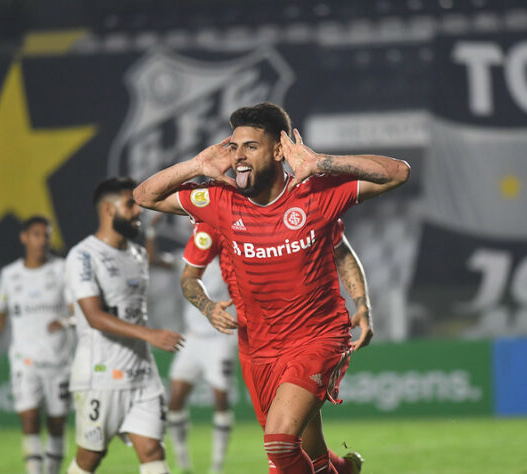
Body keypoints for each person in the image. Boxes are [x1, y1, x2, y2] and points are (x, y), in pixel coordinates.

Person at [134, 102, 409, 473]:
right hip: (259, 348)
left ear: (279, 150)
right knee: (309, 455)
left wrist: (322, 162)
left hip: (317, 337)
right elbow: (144, 197)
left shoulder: (316, 194)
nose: (239, 157)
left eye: (250, 146)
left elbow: (397, 173)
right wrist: (197, 166)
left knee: (279, 444)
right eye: (234, 146)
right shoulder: (220, 203)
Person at [181, 218, 371, 474]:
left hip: (308, 336)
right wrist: (207, 306)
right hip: (257, 347)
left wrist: (362, 304)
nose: (241, 175)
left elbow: (341, 250)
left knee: (280, 445)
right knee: (300, 445)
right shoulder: (218, 213)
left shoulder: (305, 200)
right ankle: (344, 469)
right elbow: (189, 276)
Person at [64, 177, 184, 474]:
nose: (137, 210)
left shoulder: (138, 254)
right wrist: (150, 334)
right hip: (100, 375)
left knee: (153, 450)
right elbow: (93, 316)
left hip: (142, 373)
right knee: (90, 457)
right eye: (130, 204)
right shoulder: (83, 256)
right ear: (107, 210)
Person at [0, 215, 73, 474]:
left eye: (46, 235)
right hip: (24, 361)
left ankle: (50, 470)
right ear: (24, 237)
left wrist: (65, 322)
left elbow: (77, 310)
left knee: (56, 422)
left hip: (59, 360)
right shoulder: (10, 275)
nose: (42, 241)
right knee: (29, 418)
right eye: (37, 234)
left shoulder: (62, 269)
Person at [145, 215, 237, 474]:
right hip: (193, 340)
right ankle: (183, 462)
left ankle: (217, 465)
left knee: (220, 399)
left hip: (219, 339)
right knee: (175, 399)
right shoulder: (186, 258)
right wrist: (152, 232)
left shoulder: (229, 258)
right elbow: (153, 261)